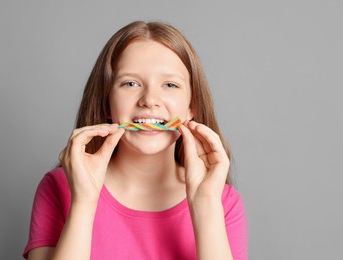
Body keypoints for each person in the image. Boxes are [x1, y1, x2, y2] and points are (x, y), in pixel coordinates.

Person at [23, 21, 248, 260]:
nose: (150, 100)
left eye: (170, 85)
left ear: (191, 107)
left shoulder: (222, 202)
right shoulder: (59, 187)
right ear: (106, 101)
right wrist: (85, 202)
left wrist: (205, 205)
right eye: (130, 83)